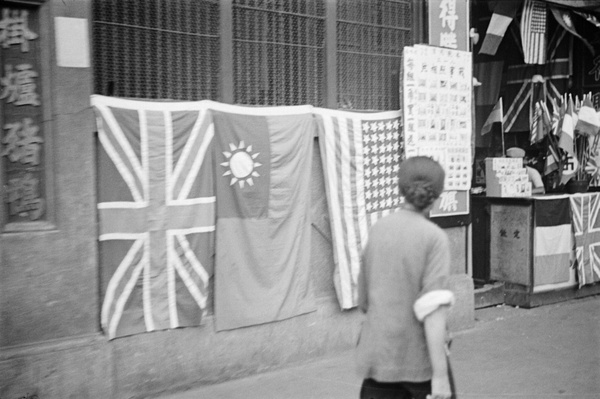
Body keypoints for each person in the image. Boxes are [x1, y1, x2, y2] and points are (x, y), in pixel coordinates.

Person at [356, 156, 456, 399]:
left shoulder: (378, 229)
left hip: (378, 360)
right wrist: (440, 378)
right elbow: (432, 311)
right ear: (438, 194)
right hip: (418, 365)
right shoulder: (433, 238)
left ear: (401, 189)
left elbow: (364, 302)